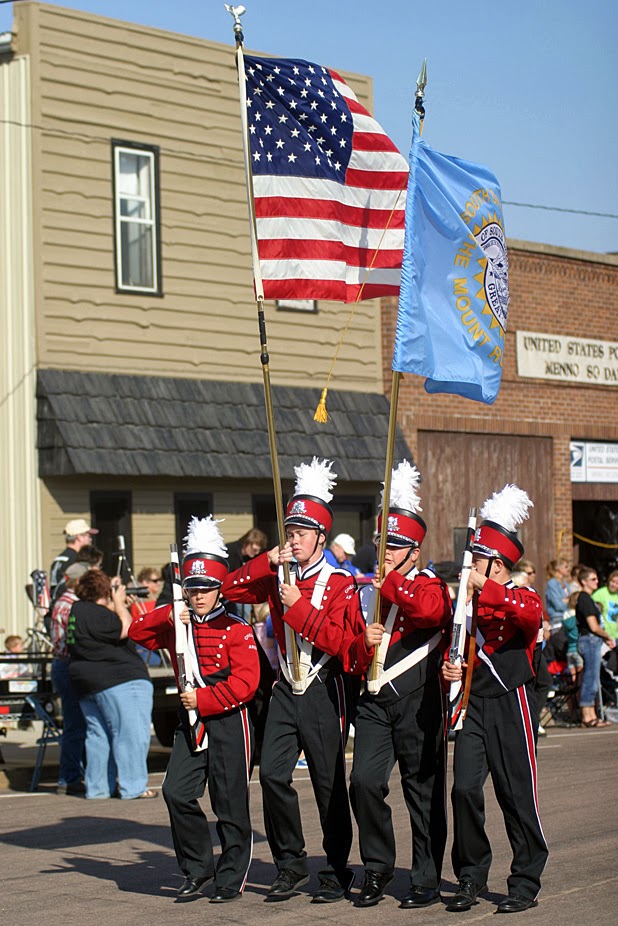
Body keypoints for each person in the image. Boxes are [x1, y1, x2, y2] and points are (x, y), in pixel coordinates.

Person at [221, 457, 358, 903]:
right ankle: (290, 864)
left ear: (320, 536)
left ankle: (337, 868)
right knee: (273, 775)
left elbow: (340, 642)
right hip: (285, 687)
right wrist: (267, 560)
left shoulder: (340, 582)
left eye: (300, 534)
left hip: (322, 686)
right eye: (290, 533)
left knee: (327, 781)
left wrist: (298, 605)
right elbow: (230, 590)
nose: (293, 540)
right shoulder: (279, 573)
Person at [130, 516, 260, 903]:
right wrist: (168, 613)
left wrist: (202, 700)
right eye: (192, 588)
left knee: (228, 802)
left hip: (227, 719)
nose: (199, 595)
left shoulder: (237, 629)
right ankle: (198, 869)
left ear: (219, 589)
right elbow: (137, 632)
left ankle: (230, 877)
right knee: (176, 792)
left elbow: (246, 684)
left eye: (206, 588)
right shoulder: (178, 622)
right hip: (191, 724)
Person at [342, 461, 452, 909]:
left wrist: (390, 584)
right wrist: (360, 644)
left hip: (418, 701)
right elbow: (348, 652)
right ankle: (378, 866)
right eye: (381, 544)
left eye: (395, 546)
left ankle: (426, 876)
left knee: (422, 792)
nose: (384, 552)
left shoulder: (429, 585)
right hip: (375, 703)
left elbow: (429, 614)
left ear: (414, 552)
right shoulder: (367, 592)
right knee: (363, 783)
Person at [442, 484, 549, 914]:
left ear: (497, 564)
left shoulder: (517, 595)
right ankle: (470, 876)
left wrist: (484, 587)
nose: (469, 566)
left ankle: (525, 880)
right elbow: (454, 653)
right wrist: (448, 672)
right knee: (464, 789)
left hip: (512, 703)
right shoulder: (464, 606)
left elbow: (529, 615)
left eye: (477, 559)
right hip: (475, 707)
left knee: (516, 794)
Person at [67, 569, 155, 800]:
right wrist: (120, 604)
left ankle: (98, 789)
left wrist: (116, 604)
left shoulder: (77, 611)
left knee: (99, 736)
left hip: (87, 682)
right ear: (104, 591)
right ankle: (133, 787)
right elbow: (127, 629)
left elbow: (102, 628)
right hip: (120, 678)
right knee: (131, 733)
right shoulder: (97, 613)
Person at [50, 561, 89, 794]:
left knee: (80, 723)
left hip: (65, 664)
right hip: (68, 665)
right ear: (78, 581)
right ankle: (69, 777)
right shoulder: (71, 604)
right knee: (75, 724)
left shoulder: (67, 601)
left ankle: (76, 774)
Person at [575, 566, 616, 726]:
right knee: (590, 679)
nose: (596, 581)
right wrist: (607, 635)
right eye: (593, 579)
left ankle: (591, 713)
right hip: (589, 640)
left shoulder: (589, 598)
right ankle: (587, 715)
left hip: (593, 641)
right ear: (584, 581)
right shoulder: (584, 598)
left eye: (597, 578)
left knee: (593, 678)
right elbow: (593, 626)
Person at [49, 519, 99, 595]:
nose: (90, 540)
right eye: (88, 536)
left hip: (58, 601)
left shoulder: (59, 559)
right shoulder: (76, 561)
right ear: (79, 537)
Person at [544, 558, 570, 634]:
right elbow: (558, 605)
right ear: (558, 568)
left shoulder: (565, 583)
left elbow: (572, 600)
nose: (568, 569)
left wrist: (566, 600)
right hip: (558, 619)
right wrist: (567, 601)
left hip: (567, 616)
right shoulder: (552, 583)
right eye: (566, 567)